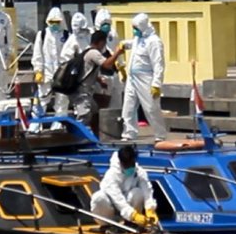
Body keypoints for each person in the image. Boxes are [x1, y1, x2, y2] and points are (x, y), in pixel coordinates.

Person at [120, 13, 167, 142]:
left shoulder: (154, 42)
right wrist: (124, 44)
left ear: (143, 27)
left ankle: (160, 135)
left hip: (146, 78)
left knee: (151, 108)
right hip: (132, 77)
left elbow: (159, 64)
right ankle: (129, 133)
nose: (134, 30)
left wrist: (156, 84)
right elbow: (133, 44)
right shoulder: (138, 38)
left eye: (136, 28)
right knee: (128, 107)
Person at [90, 146, 158, 228]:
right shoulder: (111, 176)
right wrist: (133, 215)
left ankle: (131, 224)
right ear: (121, 162)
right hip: (112, 205)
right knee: (98, 197)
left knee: (137, 192)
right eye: (127, 165)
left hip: (127, 207)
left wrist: (150, 209)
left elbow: (147, 190)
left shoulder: (139, 172)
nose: (130, 167)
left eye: (131, 164)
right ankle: (106, 225)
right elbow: (118, 200)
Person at [71, 30, 126, 126]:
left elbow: (87, 71)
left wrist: (99, 80)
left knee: (95, 113)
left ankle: (95, 137)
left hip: (86, 91)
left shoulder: (87, 51)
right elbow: (107, 65)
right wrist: (117, 53)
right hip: (82, 92)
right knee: (84, 117)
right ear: (101, 42)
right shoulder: (93, 53)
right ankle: (75, 138)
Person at [30, 7, 67, 130]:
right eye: (52, 22)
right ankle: (36, 123)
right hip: (46, 73)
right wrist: (38, 71)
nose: (54, 25)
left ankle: (59, 123)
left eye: (57, 22)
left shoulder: (66, 35)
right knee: (42, 98)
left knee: (62, 100)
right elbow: (37, 54)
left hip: (62, 74)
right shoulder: (43, 34)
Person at [93, 8, 126, 109]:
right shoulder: (92, 35)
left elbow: (118, 49)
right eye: (103, 24)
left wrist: (121, 68)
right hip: (100, 71)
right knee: (102, 100)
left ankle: (116, 120)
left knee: (117, 97)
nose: (106, 26)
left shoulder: (113, 34)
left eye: (108, 23)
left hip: (113, 70)